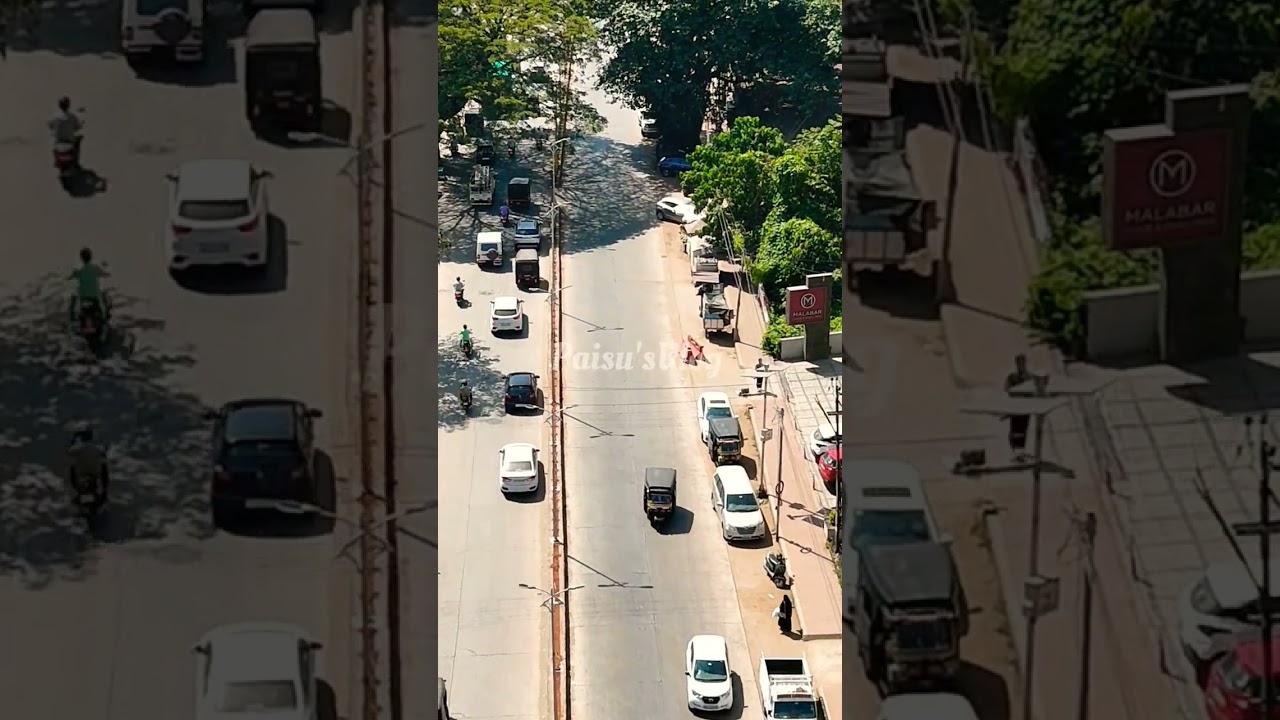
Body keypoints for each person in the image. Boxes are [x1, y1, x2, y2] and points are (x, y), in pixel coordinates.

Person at [67, 425, 108, 502]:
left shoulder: (77, 448)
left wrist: (74, 438)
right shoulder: (97, 449)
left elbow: (69, 452)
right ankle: (103, 492)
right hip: (94, 475)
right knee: (104, 468)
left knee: (72, 468)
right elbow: (103, 461)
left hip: (81, 475)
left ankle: (77, 493)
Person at [1003, 354, 1033, 459]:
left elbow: (1032, 392)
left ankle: (1021, 451)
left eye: (1022, 363)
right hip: (1015, 407)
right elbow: (1007, 389)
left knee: (1023, 430)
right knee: (1015, 430)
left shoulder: (1030, 377)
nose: (1021, 365)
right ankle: (1016, 451)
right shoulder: (1012, 377)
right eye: (1019, 363)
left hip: (1025, 408)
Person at [69, 247, 109, 322]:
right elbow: (104, 274)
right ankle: (105, 317)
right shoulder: (95, 268)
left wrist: (70, 276)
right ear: (91, 257)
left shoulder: (80, 271)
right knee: (102, 304)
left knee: (76, 303)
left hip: (83, 296)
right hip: (95, 295)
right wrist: (107, 273)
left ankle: (73, 318)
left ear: (81, 258)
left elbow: (71, 277)